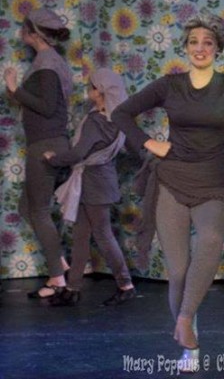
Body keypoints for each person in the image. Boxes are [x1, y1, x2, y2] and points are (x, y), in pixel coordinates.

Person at [111, 12, 224, 372]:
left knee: (209, 241)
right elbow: (120, 113)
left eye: (208, 42)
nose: (200, 48)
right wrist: (148, 142)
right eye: (194, 42)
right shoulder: (169, 86)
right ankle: (189, 345)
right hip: (171, 180)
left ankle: (184, 319)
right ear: (185, 46)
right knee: (177, 272)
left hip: (212, 182)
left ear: (218, 47)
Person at [43, 68, 135, 307]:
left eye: (91, 87)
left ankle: (125, 284)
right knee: (81, 236)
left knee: (102, 235)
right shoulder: (116, 119)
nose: (89, 91)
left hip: (94, 183)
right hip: (99, 181)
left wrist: (53, 158)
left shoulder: (96, 120)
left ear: (100, 91)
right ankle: (72, 287)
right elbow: (133, 149)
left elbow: (78, 153)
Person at [3, 8, 74, 298]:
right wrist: (17, 93)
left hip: (45, 145)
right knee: (27, 208)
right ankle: (58, 261)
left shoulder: (46, 63)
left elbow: (46, 106)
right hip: (44, 142)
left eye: (24, 28)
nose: (21, 33)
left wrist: (14, 89)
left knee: (39, 210)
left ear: (33, 32)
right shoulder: (47, 62)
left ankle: (57, 279)